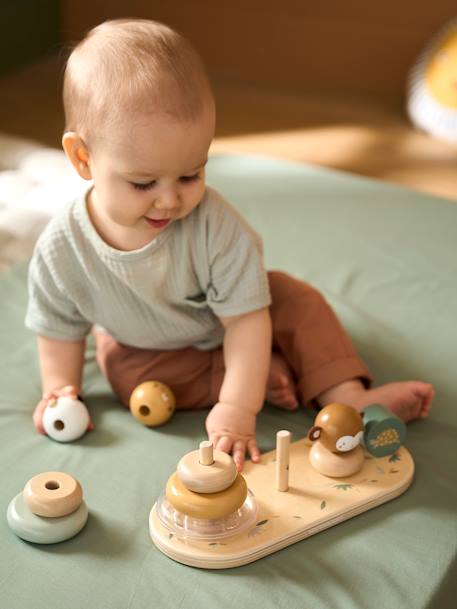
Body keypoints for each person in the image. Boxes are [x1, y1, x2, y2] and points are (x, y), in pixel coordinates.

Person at [26, 19, 434, 470]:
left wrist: (238, 411)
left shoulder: (214, 227)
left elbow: (246, 322)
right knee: (125, 375)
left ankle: (347, 397)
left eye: (190, 174)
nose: (170, 199)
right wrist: (60, 389)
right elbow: (58, 327)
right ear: (83, 158)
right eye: (143, 183)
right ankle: (264, 372)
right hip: (146, 347)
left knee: (297, 301)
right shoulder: (62, 248)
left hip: (236, 320)